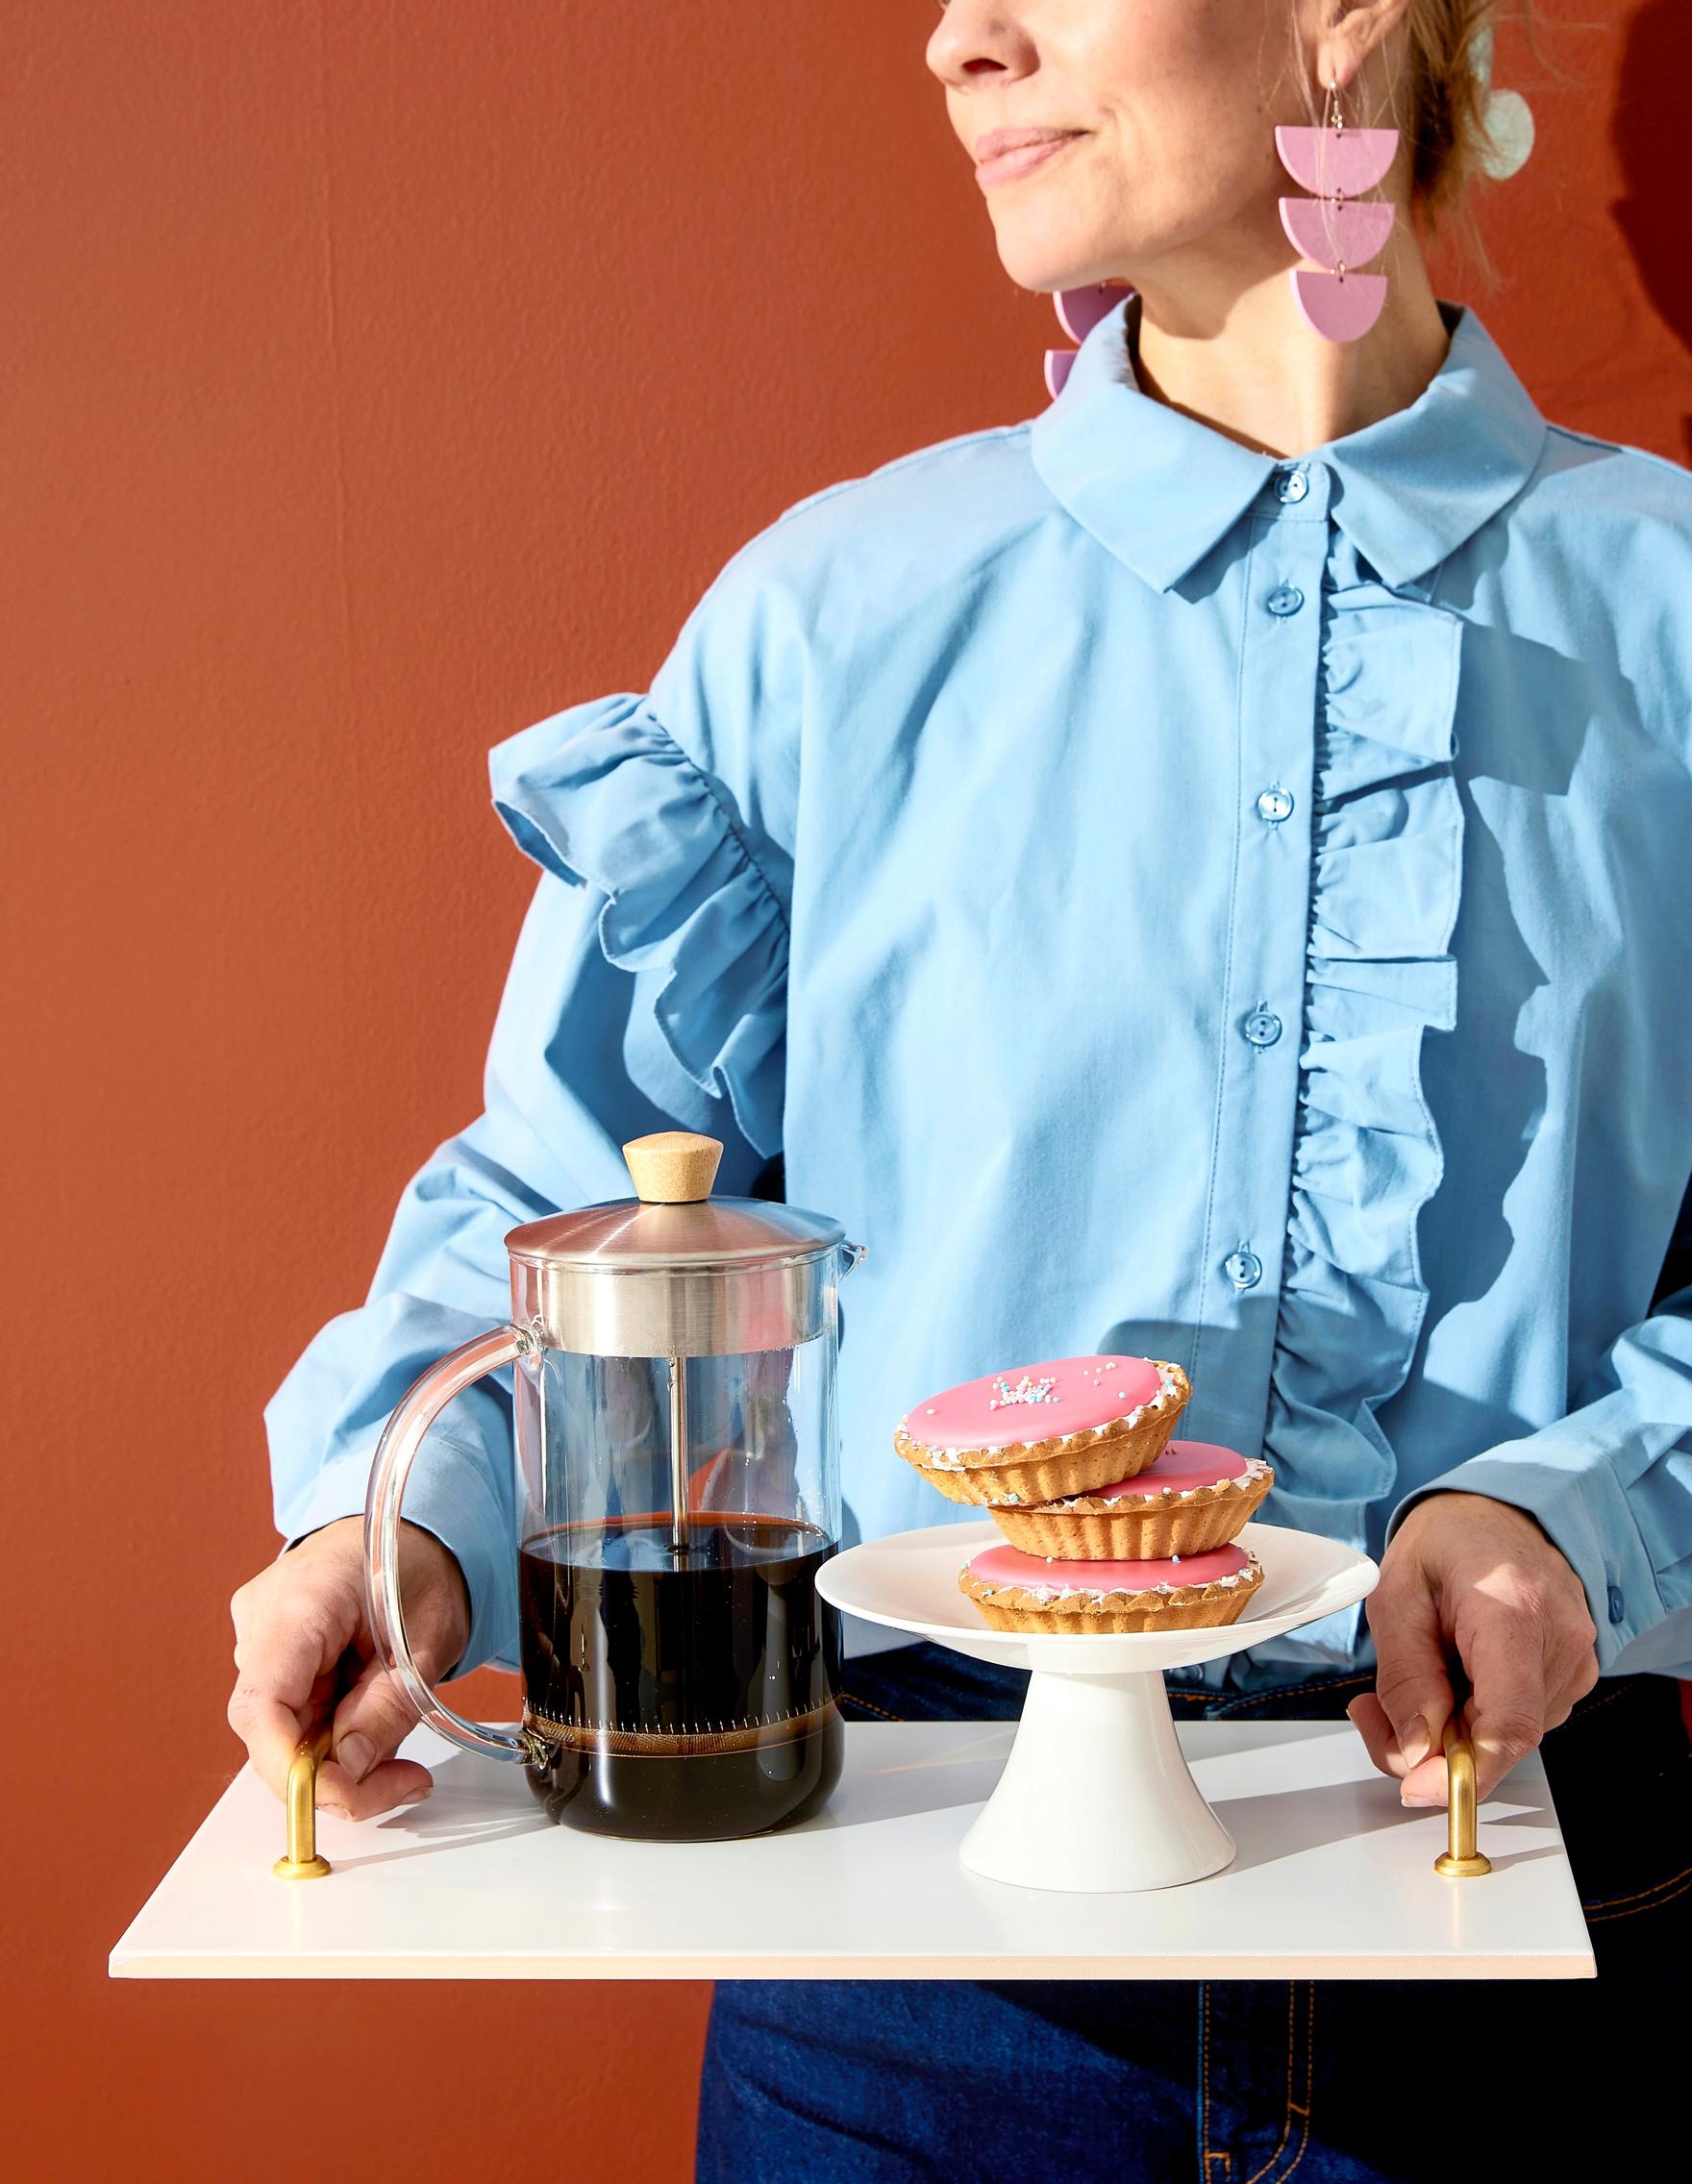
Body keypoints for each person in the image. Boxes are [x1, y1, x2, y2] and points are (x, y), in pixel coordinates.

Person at [227, 1, 1692, 2175]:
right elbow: (576, 1195)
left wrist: (1576, 1506)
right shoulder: (834, 612)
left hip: (1535, 1933)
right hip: (912, 1980)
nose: (953, 40)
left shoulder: (1668, 608)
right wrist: (408, 1529)